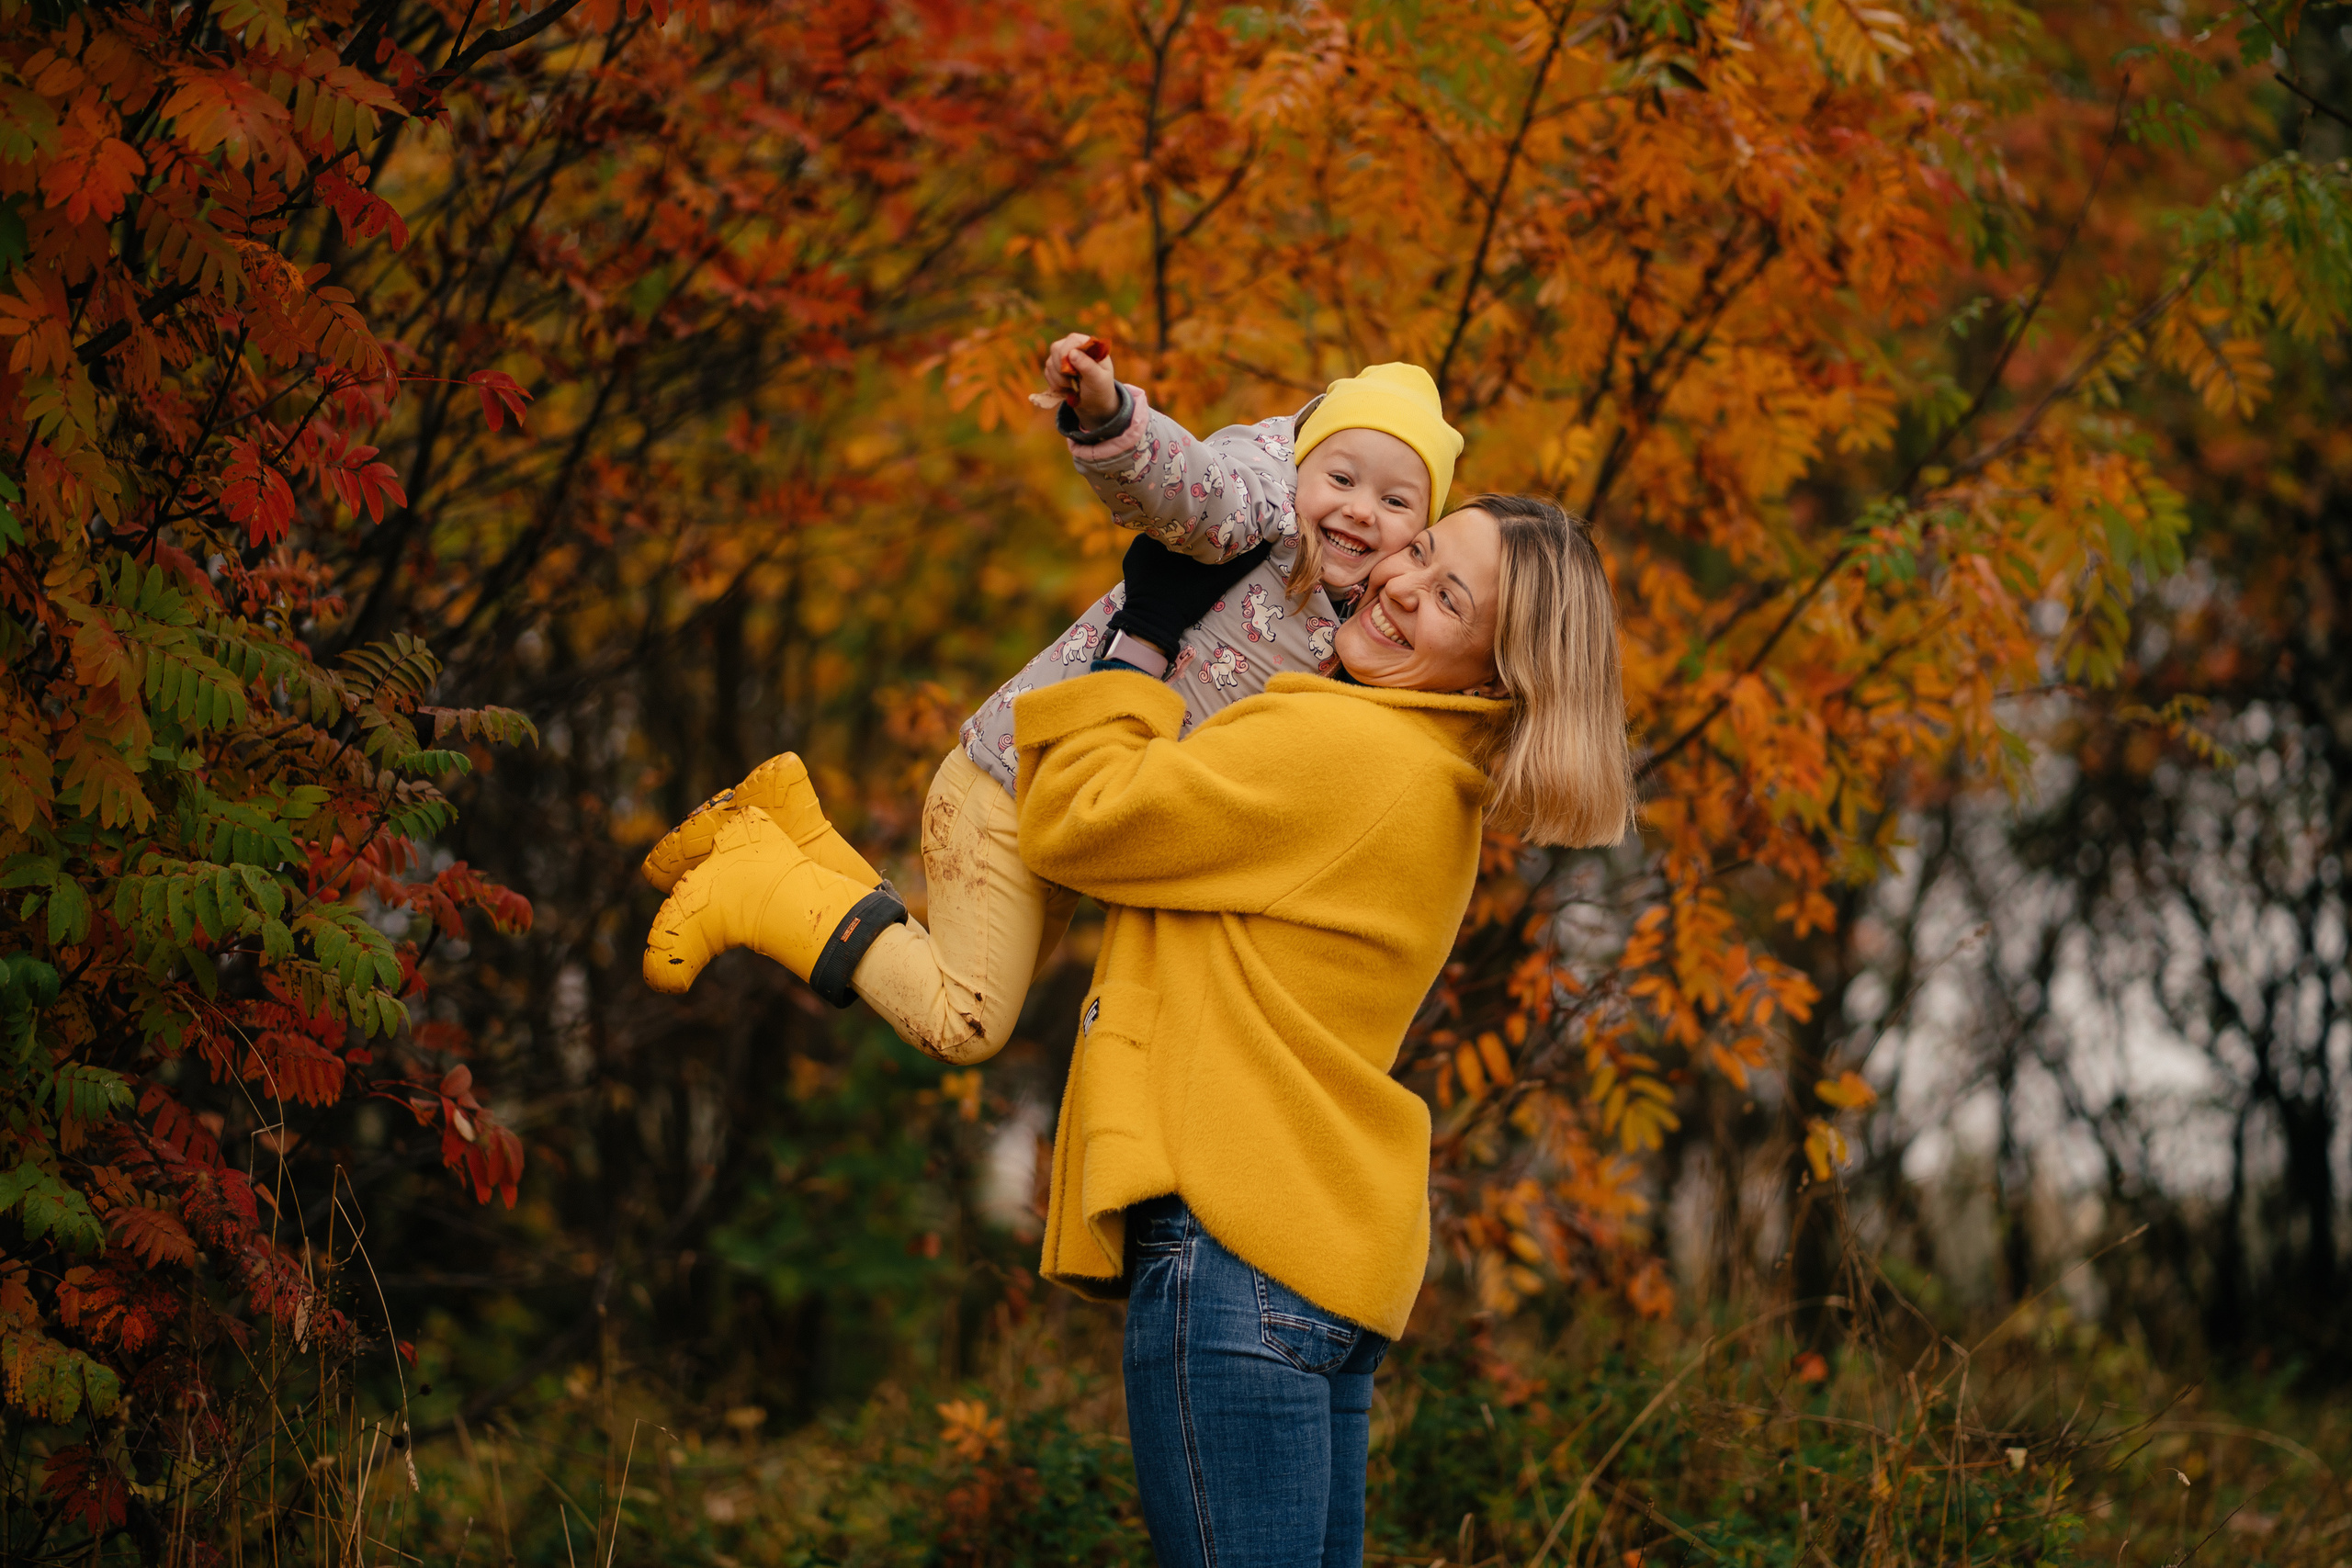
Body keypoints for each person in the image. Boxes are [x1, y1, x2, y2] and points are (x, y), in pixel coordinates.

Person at [644, 493, 1635, 1567]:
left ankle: (778, 882)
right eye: (1423, 552)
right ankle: (806, 863)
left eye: (1449, 600)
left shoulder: (1343, 747)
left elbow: (1076, 819)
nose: (1399, 585)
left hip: (1239, 1250)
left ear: (1493, 677)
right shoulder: (1434, 780)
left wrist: (1146, 633)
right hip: (1322, 1262)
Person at [637, 338, 1463, 1064]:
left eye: (1396, 503)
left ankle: (793, 828)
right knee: (964, 1020)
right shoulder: (1259, 515)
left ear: (1423, 531)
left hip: (1072, 816)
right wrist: (1112, 418)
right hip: (1016, 779)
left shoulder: (1365, 626)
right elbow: (1192, 489)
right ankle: (758, 881)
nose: (1361, 510)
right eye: (1341, 477)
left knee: (946, 968)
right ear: (1298, 466)